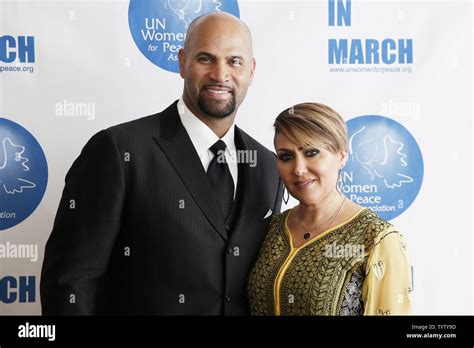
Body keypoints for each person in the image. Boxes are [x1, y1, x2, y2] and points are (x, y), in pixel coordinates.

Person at [40, 12, 283, 315]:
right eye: (206, 59)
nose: (221, 75)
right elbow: (70, 282)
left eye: (234, 61)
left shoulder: (269, 167)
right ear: (182, 63)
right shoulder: (119, 151)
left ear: (251, 71)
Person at [247, 103, 412, 315]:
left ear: (341, 156)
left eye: (311, 152)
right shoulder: (273, 227)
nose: (298, 169)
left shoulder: (376, 238)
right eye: (286, 157)